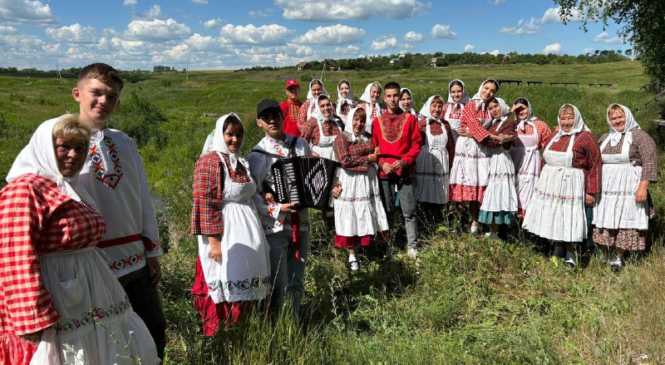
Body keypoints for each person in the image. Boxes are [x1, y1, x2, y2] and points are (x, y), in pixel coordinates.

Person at [0, 115, 159, 364]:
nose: (73, 155)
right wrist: (31, 318)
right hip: (57, 293)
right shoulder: (25, 189)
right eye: (64, 146)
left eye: (80, 148)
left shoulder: (70, 188)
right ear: (46, 148)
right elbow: (15, 257)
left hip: (86, 294)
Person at [71, 63, 167, 358]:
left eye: (111, 97)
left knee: (154, 334)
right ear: (77, 93)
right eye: (96, 93)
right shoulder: (62, 140)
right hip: (93, 263)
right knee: (107, 344)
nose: (103, 102)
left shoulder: (124, 142)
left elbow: (142, 198)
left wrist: (152, 252)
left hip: (135, 259)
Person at [191, 114, 272, 335]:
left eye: (239, 134)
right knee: (228, 278)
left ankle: (247, 330)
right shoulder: (211, 161)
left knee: (248, 278)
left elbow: (249, 192)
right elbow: (205, 203)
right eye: (230, 134)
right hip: (225, 235)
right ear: (220, 134)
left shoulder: (241, 161)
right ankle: (225, 334)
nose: (235, 139)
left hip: (248, 230)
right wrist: (214, 242)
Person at [247, 99, 312, 316]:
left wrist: (328, 189)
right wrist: (277, 209)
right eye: (266, 118)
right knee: (278, 283)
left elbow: (313, 176)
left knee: (297, 280)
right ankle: (277, 328)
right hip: (274, 226)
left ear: (282, 116)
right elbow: (252, 194)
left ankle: (293, 322)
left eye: (275, 115)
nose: (272, 121)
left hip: (301, 223)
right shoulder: (257, 155)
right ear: (259, 123)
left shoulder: (301, 145)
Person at [523, 104, 602, 267]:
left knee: (569, 217)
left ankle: (571, 255)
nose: (566, 122)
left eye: (570, 118)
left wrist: (591, 191)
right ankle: (557, 248)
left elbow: (595, 165)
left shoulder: (587, 137)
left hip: (572, 185)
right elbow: (545, 159)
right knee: (554, 215)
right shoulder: (555, 135)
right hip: (550, 184)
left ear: (577, 118)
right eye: (563, 118)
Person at [593, 104, 658, 270]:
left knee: (626, 220)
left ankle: (618, 256)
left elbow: (650, 162)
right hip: (607, 188)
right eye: (613, 118)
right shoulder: (605, 137)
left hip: (630, 185)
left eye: (620, 117)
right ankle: (605, 254)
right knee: (604, 218)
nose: (617, 121)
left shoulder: (640, 136)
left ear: (628, 116)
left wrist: (643, 187)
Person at [332, 107, 389, 270]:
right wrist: (368, 159)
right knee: (351, 214)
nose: (359, 123)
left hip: (367, 181)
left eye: (362, 120)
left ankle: (367, 250)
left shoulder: (368, 137)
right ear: (350, 119)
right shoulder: (341, 138)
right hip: (350, 181)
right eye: (356, 119)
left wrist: (376, 154)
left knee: (367, 212)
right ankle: (352, 254)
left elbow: (377, 151)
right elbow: (344, 161)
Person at [372, 81, 423, 259]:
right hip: (385, 171)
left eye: (396, 95)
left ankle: (412, 246)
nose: (393, 99)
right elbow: (374, 148)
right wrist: (382, 162)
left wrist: (405, 161)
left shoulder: (410, 119)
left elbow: (416, 144)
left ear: (400, 97)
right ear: (384, 98)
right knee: (387, 211)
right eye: (389, 96)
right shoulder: (377, 122)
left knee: (408, 211)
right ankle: (390, 245)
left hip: (404, 169)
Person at [449, 79, 500, 233]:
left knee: (478, 182)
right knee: (464, 182)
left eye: (492, 91)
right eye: (486, 88)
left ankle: (475, 223)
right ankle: (456, 223)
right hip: (467, 148)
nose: (488, 92)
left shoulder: (489, 107)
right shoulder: (472, 104)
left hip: (482, 148)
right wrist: (495, 138)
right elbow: (474, 126)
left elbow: (498, 119)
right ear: (481, 87)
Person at [476, 98, 518, 239]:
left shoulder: (509, 123)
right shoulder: (493, 123)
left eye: (496, 106)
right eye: (491, 108)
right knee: (491, 194)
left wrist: (477, 135)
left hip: (501, 160)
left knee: (498, 195)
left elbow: (494, 142)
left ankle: (496, 232)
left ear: (502, 106)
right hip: (491, 159)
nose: (493, 110)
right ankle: (493, 231)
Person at [509, 97, 552, 217]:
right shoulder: (512, 124)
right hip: (516, 161)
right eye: (517, 110)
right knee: (515, 189)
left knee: (530, 190)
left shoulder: (540, 125)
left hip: (533, 164)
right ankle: (513, 224)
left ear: (529, 108)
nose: (520, 112)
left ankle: (528, 223)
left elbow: (549, 146)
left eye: (523, 109)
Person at [414, 95, 455, 219]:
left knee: (440, 189)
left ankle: (439, 218)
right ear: (428, 106)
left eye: (439, 106)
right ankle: (423, 218)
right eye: (434, 105)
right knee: (424, 189)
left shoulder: (446, 125)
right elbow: (415, 145)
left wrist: (452, 163)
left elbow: (450, 146)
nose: (437, 109)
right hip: (425, 161)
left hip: (442, 162)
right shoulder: (420, 124)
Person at [301, 95, 345, 161]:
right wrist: (311, 153)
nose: (326, 108)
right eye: (322, 106)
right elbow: (302, 142)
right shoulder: (312, 122)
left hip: (337, 156)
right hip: (320, 157)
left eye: (328, 105)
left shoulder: (337, 120)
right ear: (317, 107)